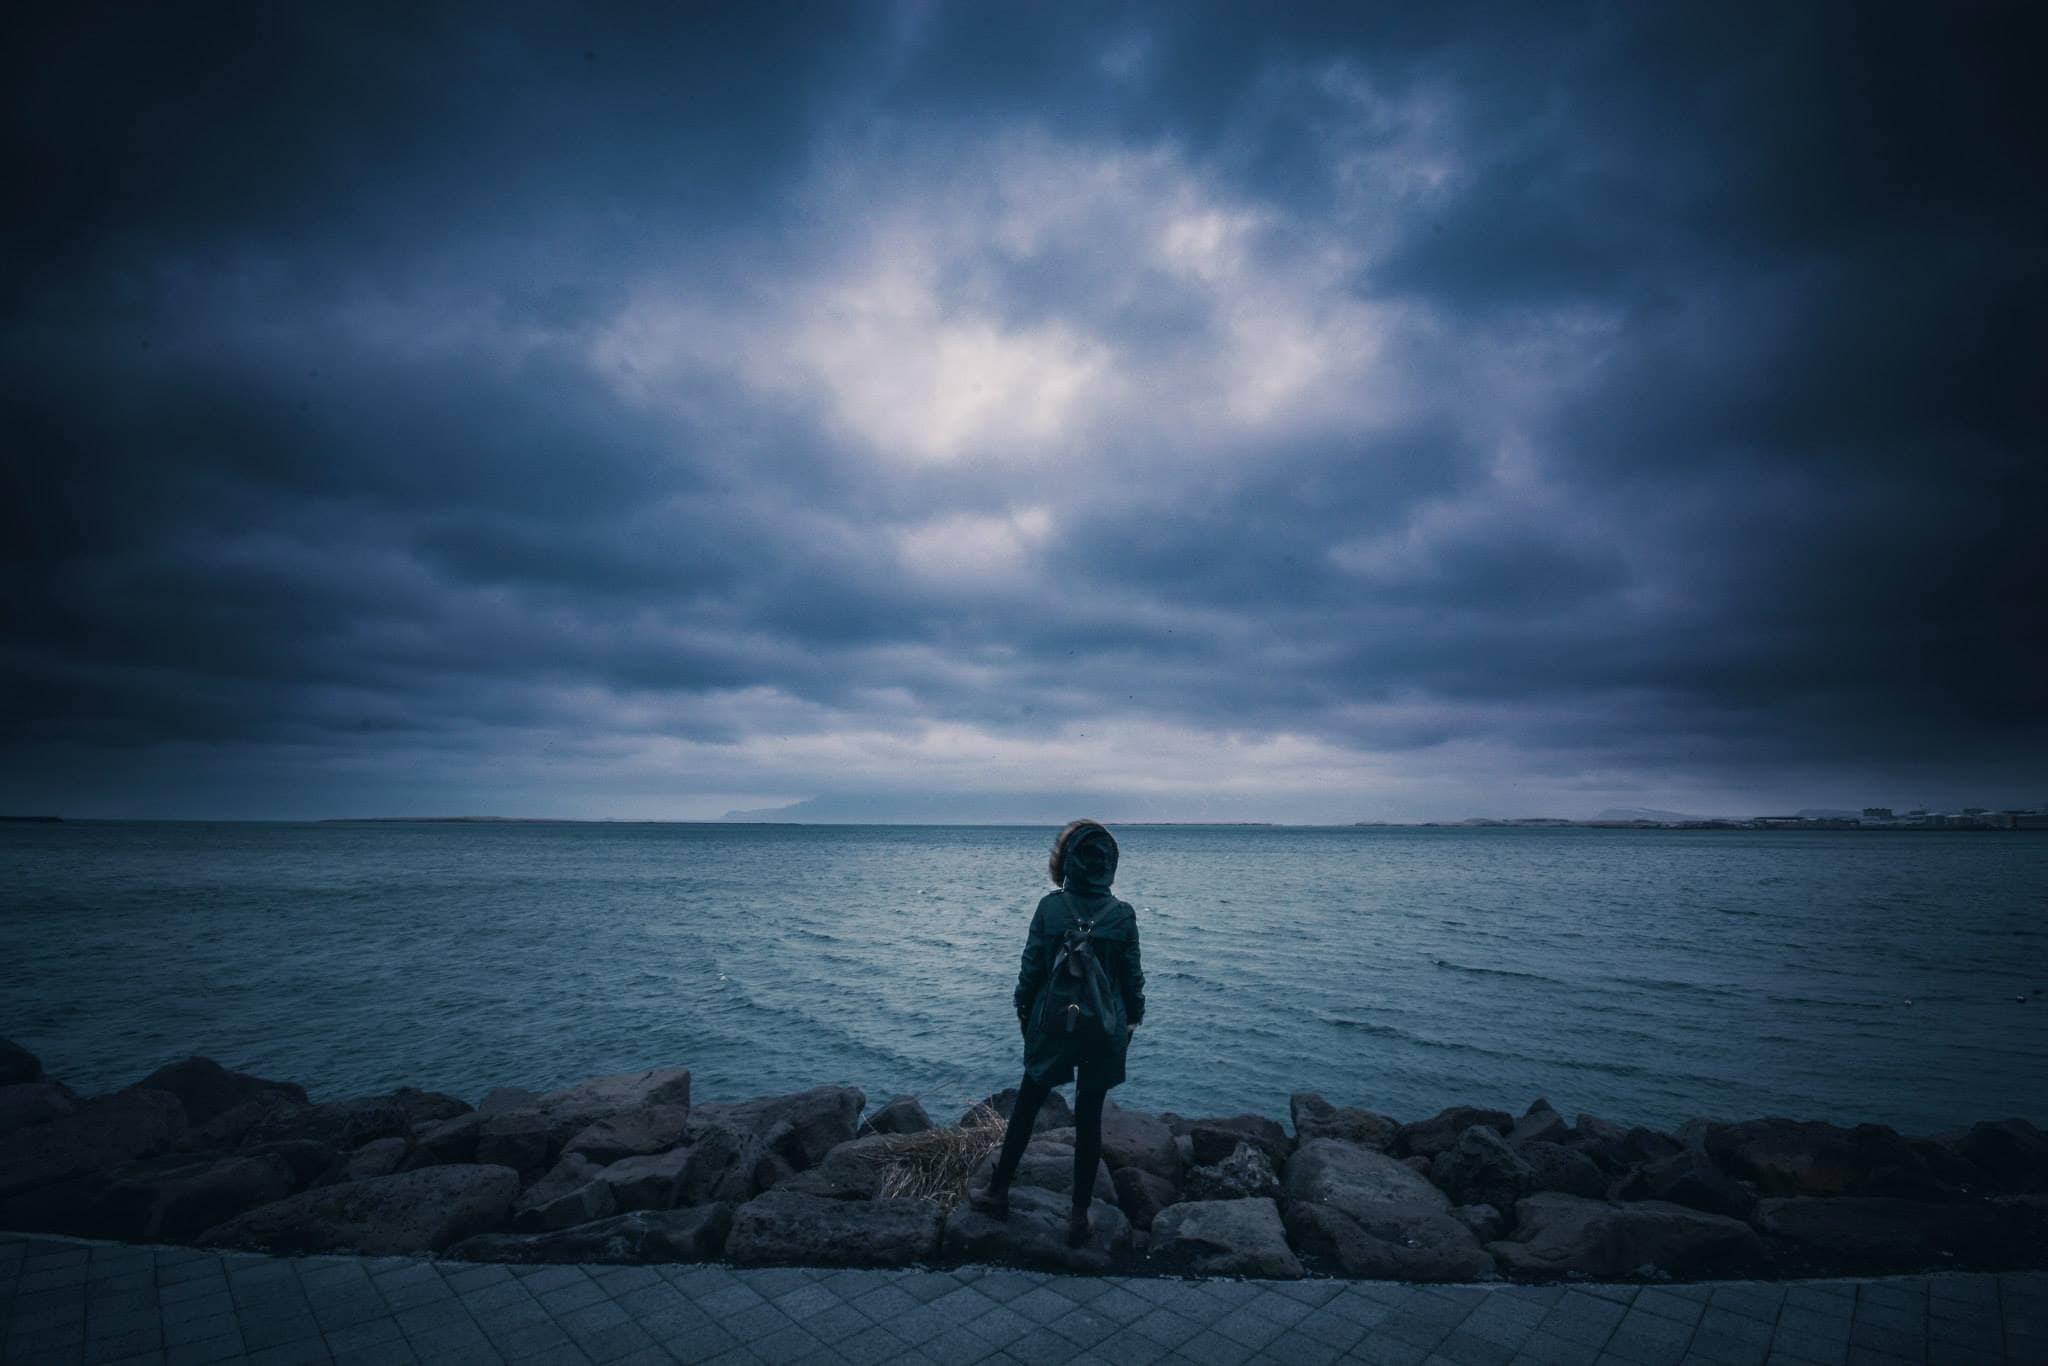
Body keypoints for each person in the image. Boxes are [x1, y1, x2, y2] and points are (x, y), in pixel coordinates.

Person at [968, 819, 1146, 1246]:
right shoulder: (1122, 916)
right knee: (1089, 1119)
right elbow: (1133, 981)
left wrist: (1025, 1017)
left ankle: (997, 1192)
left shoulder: (1050, 910)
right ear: (1110, 864)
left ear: (1067, 861)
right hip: (1104, 1029)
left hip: (1053, 1025)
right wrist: (1132, 1021)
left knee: (1028, 1105)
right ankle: (1079, 1217)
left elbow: (1030, 973)